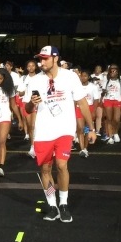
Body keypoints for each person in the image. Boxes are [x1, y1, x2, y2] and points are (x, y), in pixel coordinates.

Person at [23, 47, 97, 223]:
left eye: (45, 59)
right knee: (45, 169)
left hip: (64, 129)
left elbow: (82, 102)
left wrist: (91, 128)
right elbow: (27, 108)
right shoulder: (35, 81)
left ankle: (63, 204)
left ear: (55, 59)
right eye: (40, 59)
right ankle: (52, 204)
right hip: (43, 132)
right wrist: (31, 104)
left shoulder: (70, 77)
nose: (42, 62)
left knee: (62, 165)